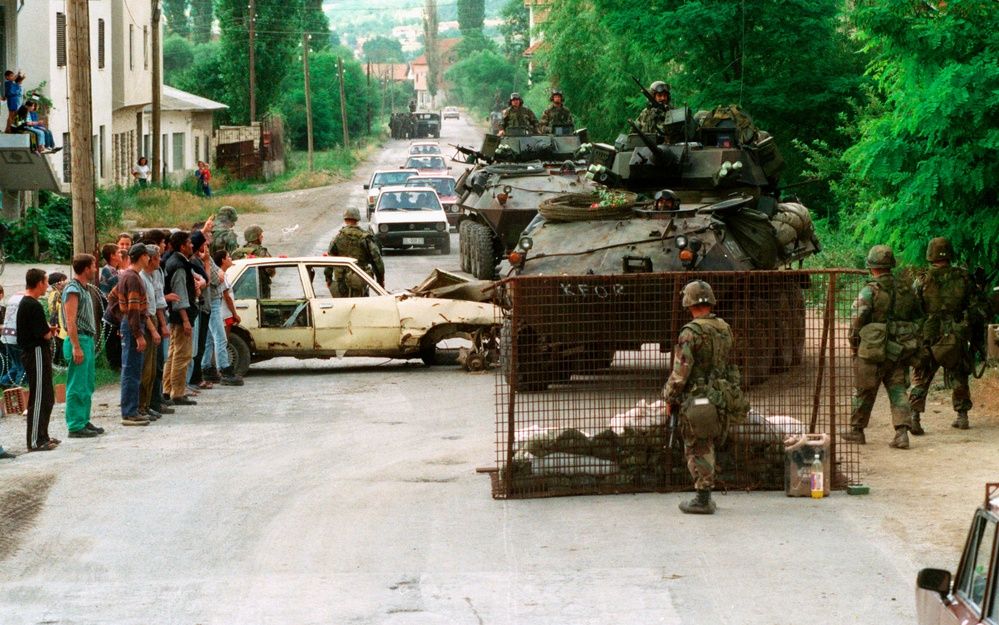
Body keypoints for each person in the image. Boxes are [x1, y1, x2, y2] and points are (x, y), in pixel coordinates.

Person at [662, 280, 737, 515]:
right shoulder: (724, 328)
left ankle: (703, 499)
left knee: (697, 445)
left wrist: (669, 397)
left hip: (698, 398)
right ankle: (707, 493)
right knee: (710, 442)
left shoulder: (690, 333)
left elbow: (680, 373)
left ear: (688, 302)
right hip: (720, 394)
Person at [844, 246, 922, 449]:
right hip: (898, 349)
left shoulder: (869, 290)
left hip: (872, 350)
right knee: (898, 390)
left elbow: (856, 321)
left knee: (865, 389)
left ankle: (857, 430)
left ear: (871, 266)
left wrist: (854, 345)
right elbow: (918, 317)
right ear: (891, 265)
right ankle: (902, 433)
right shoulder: (906, 288)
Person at [909, 237, 983, 431]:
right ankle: (962, 415)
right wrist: (974, 335)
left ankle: (914, 417)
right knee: (960, 374)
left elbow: (913, 311)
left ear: (930, 254)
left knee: (922, 375)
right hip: (956, 333)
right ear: (950, 253)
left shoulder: (921, 281)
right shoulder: (964, 278)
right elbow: (976, 309)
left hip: (930, 334)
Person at [62, 255, 103, 438]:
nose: (95, 269)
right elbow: (71, 320)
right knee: (77, 384)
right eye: (94, 265)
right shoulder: (73, 289)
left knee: (87, 383)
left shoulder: (85, 289)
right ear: (86, 268)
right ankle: (75, 424)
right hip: (79, 339)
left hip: (87, 339)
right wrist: (76, 346)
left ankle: (84, 419)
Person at [17, 269, 58, 451]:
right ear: (39, 283)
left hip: (38, 352)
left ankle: (43, 434)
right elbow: (45, 334)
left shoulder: (28, 303)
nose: (47, 286)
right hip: (36, 352)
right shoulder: (32, 305)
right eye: (46, 282)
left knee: (47, 395)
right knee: (39, 396)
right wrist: (50, 330)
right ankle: (34, 440)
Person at [162, 231, 198, 406]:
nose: (192, 245)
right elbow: (180, 296)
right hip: (181, 316)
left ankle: (167, 389)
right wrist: (186, 320)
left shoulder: (172, 261)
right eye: (189, 243)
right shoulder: (179, 266)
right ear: (182, 246)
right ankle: (177, 392)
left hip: (175, 316)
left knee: (173, 353)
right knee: (182, 355)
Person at [139, 245, 174, 420]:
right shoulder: (141, 278)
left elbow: (157, 302)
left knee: (154, 367)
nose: (160, 260)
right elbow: (145, 309)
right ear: (149, 259)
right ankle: (143, 406)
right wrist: (155, 329)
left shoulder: (154, 274)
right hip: (148, 322)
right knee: (147, 368)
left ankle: (150, 403)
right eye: (157, 257)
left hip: (154, 319)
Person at [325, 207, 385, 297]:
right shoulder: (365, 238)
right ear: (358, 219)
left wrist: (328, 279)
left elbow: (330, 260)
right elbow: (377, 260)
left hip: (341, 279)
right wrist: (380, 280)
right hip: (360, 278)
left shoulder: (338, 237)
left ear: (345, 219)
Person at [232, 224, 273, 297]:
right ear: (256, 237)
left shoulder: (237, 252)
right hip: (259, 289)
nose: (262, 237)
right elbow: (271, 270)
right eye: (260, 235)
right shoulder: (261, 252)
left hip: (240, 290)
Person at [1, 287, 27, 387]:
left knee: (16, 364)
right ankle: (20, 387)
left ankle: (4, 382)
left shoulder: (15, 297)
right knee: (23, 367)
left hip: (7, 335)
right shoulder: (26, 299)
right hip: (16, 337)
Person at [45, 272, 68, 366]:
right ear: (57, 284)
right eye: (62, 281)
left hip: (60, 323)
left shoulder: (54, 294)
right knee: (61, 345)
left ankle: (58, 363)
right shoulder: (56, 294)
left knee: (58, 346)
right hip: (60, 323)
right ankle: (61, 364)